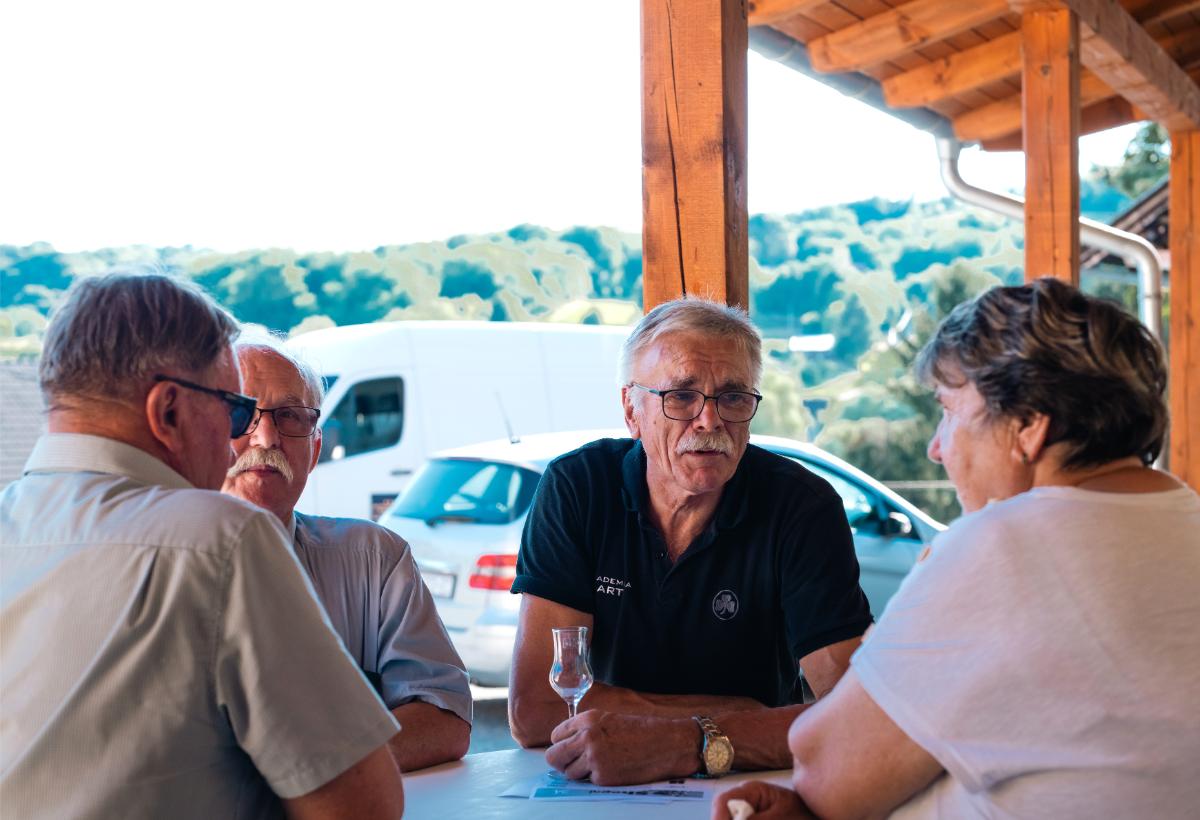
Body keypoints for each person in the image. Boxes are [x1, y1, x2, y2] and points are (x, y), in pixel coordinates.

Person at [714, 277, 1200, 819]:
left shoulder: (1008, 545)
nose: (936, 448)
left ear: (1028, 427)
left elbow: (823, 767)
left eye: (949, 410)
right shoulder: (1184, 521)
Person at [0, 272, 404, 819]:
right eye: (235, 410)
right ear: (168, 410)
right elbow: (363, 807)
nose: (243, 441)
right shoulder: (219, 539)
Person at [508, 297, 873, 786]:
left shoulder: (800, 506)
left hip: (748, 787)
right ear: (631, 410)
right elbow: (536, 708)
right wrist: (743, 716)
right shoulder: (579, 487)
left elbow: (854, 714)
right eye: (681, 396)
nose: (709, 420)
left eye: (733, 397)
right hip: (598, 784)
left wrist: (682, 742)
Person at [222, 342, 472, 771]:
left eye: (290, 416)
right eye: (243, 413)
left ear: (315, 450)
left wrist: (307, 774)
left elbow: (444, 718)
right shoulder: (149, 568)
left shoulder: (374, 561)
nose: (267, 437)